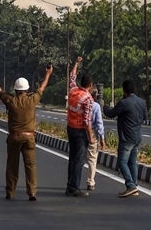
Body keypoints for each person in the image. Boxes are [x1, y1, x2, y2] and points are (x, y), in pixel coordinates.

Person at [0, 65, 52, 201]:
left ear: (15, 90)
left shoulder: (10, 101)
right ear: (27, 89)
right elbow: (42, 88)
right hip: (29, 138)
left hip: (14, 137)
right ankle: (32, 192)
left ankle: (10, 192)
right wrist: (48, 74)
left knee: (12, 166)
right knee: (30, 166)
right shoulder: (32, 100)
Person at [103, 79, 147, 198]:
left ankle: (130, 185)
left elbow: (111, 114)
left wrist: (104, 106)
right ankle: (134, 186)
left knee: (122, 162)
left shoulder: (124, 102)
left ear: (124, 90)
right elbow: (145, 117)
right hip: (137, 137)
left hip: (126, 138)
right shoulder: (142, 102)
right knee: (132, 163)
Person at [65, 56, 95, 197]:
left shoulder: (73, 91)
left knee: (72, 157)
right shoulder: (88, 99)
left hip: (70, 128)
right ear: (90, 85)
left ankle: (69, 185)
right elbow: (87, 120)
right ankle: (74, 187)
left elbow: (71, 77)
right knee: (79, 159)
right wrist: (91, 137)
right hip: (79, 132)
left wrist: (76, 63)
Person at [85, 88, 106, 191]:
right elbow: (99, 123)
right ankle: (90, 182)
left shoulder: (82, 104)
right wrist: (102, 138)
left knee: (78, 158)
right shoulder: (96, 106)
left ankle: (73, 182)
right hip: (92, 132)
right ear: (96, 96)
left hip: (80, 131)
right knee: (92, 159)